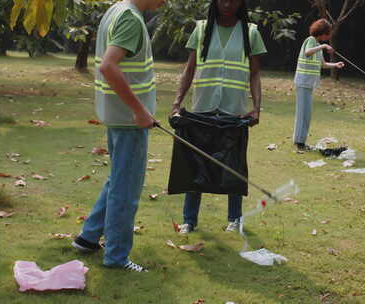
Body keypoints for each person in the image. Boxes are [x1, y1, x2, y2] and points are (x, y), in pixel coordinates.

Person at [71, 0, 166, 273]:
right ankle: (116, 258)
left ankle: (88, 238)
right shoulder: (131, 19)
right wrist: (139, 111)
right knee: (126, 190)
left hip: (118, 115)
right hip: (127, 119)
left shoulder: (118, 10)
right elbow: (109, 67)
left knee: (119, 180)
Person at [171, 0, 267, 234]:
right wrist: (177, 102)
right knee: (196, 164)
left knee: (233, 165)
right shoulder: (202, 29)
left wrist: (256, 107)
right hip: (202, 108)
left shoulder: (250, 32)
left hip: (233, 110)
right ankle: (189, 221)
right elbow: (190, 68)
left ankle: (234, 219)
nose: (227, 4)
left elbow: (254, 74)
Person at [293, 19, 344, 151]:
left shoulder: (317, 46)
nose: (329, 36)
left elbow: (323, 64)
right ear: (322, 33)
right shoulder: (310, 40)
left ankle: (301, 141)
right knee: (302, 113)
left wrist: (335, 65)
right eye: (328, 33)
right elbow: (307, 52)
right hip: (303, 82)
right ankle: (299, 143)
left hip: (309, 84)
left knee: (307, 114)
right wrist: (323, 46)